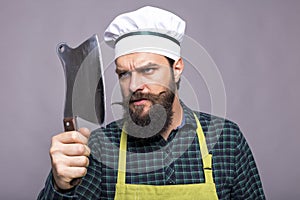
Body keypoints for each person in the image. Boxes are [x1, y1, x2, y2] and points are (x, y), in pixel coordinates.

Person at [38, 6, 265, 200]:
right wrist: (61, 186)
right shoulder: (99, 147)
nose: (134, 85)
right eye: (124, 74)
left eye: (148, 70)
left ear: (176, 69)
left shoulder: (227, 139)